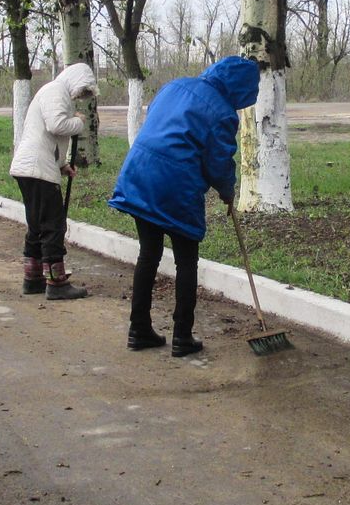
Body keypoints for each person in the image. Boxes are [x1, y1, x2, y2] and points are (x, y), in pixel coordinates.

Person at [108, 56, 260, 357]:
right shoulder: (223, 113)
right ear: (240, 88)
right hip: (176, 185)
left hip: (140, 174)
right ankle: (182, 336)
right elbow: (217, 162)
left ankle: (138, 330)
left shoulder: (174, 86)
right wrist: (228, 191)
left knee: (148, 254)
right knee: (186, 262)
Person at [9, 62, 98, 299]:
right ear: (75, 80)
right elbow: (56, 125)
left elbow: (49, 137)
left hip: (33, 167)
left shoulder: (54, 92)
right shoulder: (55, 90)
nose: (81, 96)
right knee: (53, 225)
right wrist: (79, 121)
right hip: (37, 169)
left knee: (37, 225)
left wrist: (61, 165)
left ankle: (33, 278)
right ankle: (56, 284)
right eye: (82, 90)